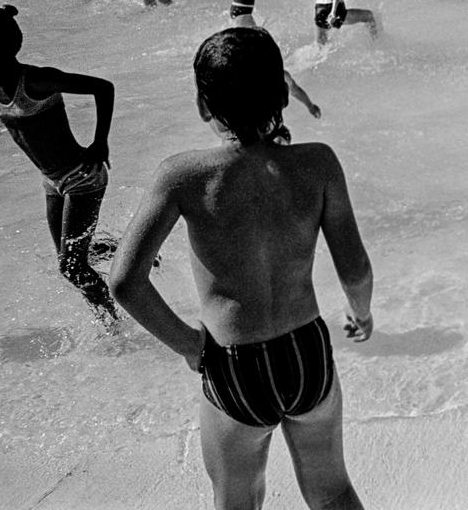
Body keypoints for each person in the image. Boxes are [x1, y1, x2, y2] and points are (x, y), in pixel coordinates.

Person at [108, 27, 374, 510]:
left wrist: (189, 345)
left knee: (239, 501)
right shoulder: (318, 162)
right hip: (306, 354)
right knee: (332, 491)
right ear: (281, 94)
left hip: (235, 366)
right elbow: (353, 266)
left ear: (203, 105)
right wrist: (362, 312)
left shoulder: (182, 175)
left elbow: (125, 281)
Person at [0, 5, 119, 326]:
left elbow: (103, 87)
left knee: (72, 266)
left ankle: (113, 326)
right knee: (70, 258)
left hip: (81, 177)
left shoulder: (35, 80)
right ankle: (131, 248)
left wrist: (100, 141)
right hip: (51, 182)